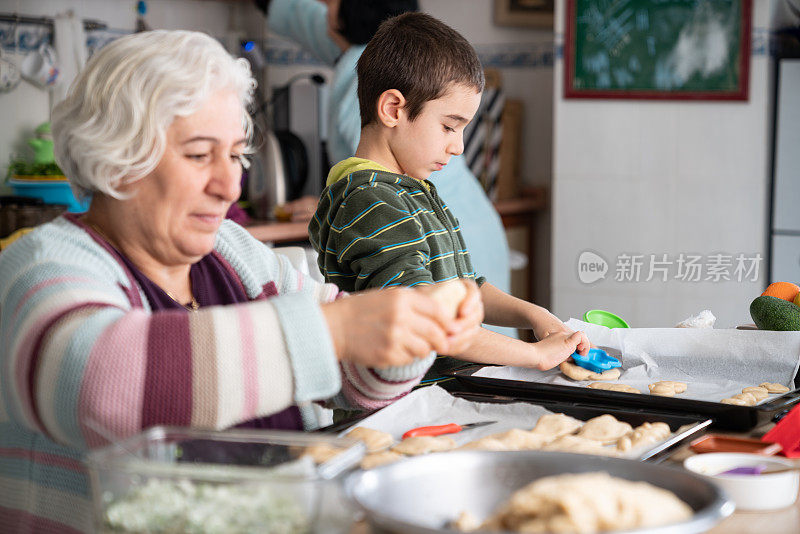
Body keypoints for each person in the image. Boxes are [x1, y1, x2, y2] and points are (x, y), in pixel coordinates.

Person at [0, 30, 483, 533]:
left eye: (234, 156)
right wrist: (334, 329)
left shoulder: (235, 254)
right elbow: (100, 382)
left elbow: (356, 379)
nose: (229, 185)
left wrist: (415, 329)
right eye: (198, 155)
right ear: (119, 159)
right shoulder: (40, 267)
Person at [309, 13, 591, 378]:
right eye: (448, 127)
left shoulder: (413, 190)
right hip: (404, 411)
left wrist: (534, 315)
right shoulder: (371, 201)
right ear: (393, 109)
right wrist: (534, 354)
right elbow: (431, 325)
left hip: (444, 395)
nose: (457, 147)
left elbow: (464, 289)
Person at [257, 0, 514, 336]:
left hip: (437, 239)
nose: (322, 6)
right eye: (450, 128)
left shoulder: (363, 72)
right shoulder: (379, 59)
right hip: (476, 226)